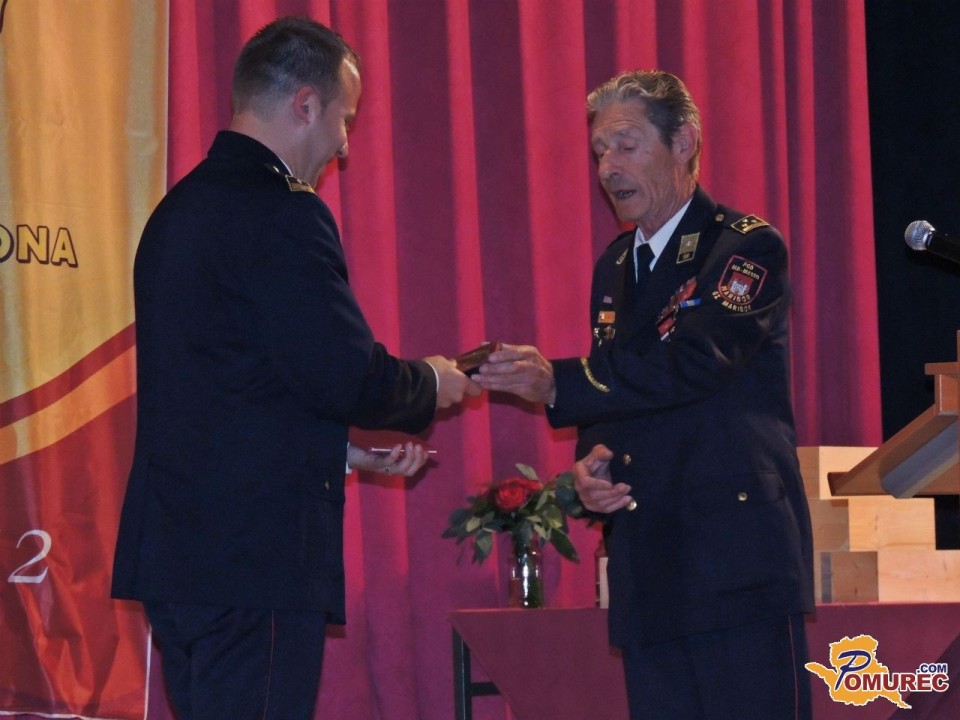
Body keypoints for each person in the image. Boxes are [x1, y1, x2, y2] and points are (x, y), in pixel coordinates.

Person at [111, 17, 479, 720]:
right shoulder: (284, 213)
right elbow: (344, 375)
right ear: (306, 105)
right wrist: (433, 382)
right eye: (345, 119)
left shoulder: (176, 211)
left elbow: (227, 390)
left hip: (180, 554)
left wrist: (337, 452)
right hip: (256, 561)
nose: (345, 144)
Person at [474, 69, 814, 719]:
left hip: (733, 558)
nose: (608, 167)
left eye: (626, 146)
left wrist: (559, 381)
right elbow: (617, 385)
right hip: (650, 561)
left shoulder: (742, 246)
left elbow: (695, 364)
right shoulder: (614, 264)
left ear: (684, 142)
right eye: (600, 151)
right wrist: (592, 463)